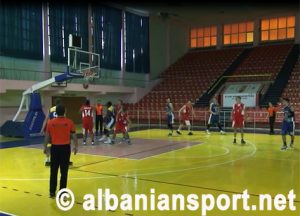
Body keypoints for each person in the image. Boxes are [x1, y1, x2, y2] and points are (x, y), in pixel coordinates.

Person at [43, 104, 78, 198]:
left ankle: (52, 192)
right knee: (64, 172)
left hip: (54, 149)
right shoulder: (69, 122)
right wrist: (76, 146)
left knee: (53, 171)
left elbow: (47, 136)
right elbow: (74, 136)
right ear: (64, 112)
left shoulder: (50, 123)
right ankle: (62, 192)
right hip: (65, 149)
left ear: (56, 112)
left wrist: (45, 147)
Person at [42, 98, 61, 166]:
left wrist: (42, 129)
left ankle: (47, 159)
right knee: (59, 144)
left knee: (48, 144)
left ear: (55, 103)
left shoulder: (51, 109)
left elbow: (47, 119)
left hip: (51, 128)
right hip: (59, 129)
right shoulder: (62, 109)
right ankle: (59, 159)